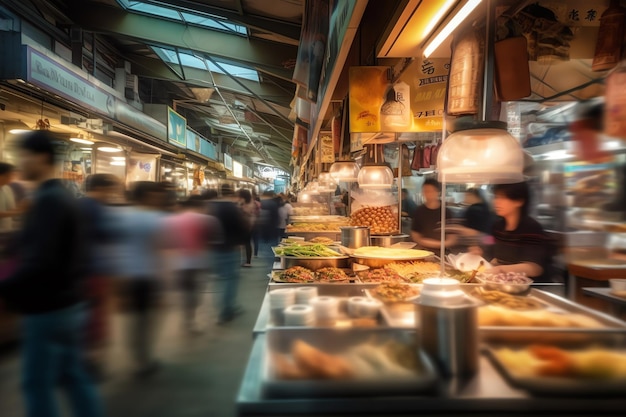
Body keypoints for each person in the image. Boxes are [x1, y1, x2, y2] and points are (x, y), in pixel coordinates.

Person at [0, 130, 103, 417]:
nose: (19, 162)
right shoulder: (64, 197)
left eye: (24, 156)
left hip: (47, 308)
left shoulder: (48, 201)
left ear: (41, 157)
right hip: (70, 303)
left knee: (36, 383)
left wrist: (7, 288)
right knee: (72, 375)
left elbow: (40, 262)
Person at [111, 181, 166, 377]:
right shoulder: (156, 218)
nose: (159, 197)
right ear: (148, 195)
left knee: (132, 319)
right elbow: (160, 250)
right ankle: (143, 358)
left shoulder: (119, 216)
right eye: (156, 194)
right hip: (148, 276)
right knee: (147, 319)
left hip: (125, 275)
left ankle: (136, 356)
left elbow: (114, 248)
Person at [79, 173, 121, 379]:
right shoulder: (99, 210)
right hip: (96, 271)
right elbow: (111, 236)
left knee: (80, 316)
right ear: (102, 188)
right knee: (96, 318)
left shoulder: (76, 206)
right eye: (112, 189)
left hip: (76, 272)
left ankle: (74, 361)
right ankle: (92, 364)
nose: (113, 193)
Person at [165, 196, 220, 333]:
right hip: (199, 262)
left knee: (184, 291)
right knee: (195, 292)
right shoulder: (207, 220)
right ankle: (190, 320)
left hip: (177, 262)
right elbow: (215, 241)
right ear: (201, 205)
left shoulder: (171, 220)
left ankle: (186, 318)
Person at [484, 181, 553, 280]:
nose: (496, 202)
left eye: (503, 197)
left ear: (519, 201)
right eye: (496, 197)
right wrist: (479, 253)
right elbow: (493, 254)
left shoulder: (531, 228)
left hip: (526, 288)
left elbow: (534, 268)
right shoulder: (497, 226)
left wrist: (501, 269)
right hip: (502, 283)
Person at [210, 184, 248, 324]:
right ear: (233, 194)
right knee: (230, 279)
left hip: (214, 248)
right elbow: (242, 227)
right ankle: (227, 310)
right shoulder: (232, 208)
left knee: (220, 279)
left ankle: (225, 307)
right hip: (230, 247)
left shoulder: (211, 206)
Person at [410, 178, 457, 254]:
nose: (427, 194)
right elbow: (415, 235)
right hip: (422, 252)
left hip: (442, 253)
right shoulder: (419, 211)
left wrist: (431, 243)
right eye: (425, 191)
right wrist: (424, 243)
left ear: (438, 192)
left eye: (430, 191)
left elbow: (452, 240)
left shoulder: (446, 212)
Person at [238, 189, 256, 267]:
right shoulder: (250, 202)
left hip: (247, 225)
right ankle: (247, 261)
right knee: (246, 244)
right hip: (247, 225)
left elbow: (247, 212)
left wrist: (240, 207)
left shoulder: (248, 203)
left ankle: (248, 261)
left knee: (246, 243)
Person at [0, 162, 20, 232]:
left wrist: (20, 208)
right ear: (2, 175)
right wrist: (20, 211)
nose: (12, 178)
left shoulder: (7, 189)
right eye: (11, 175)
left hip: (6, 230)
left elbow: (10, 209)